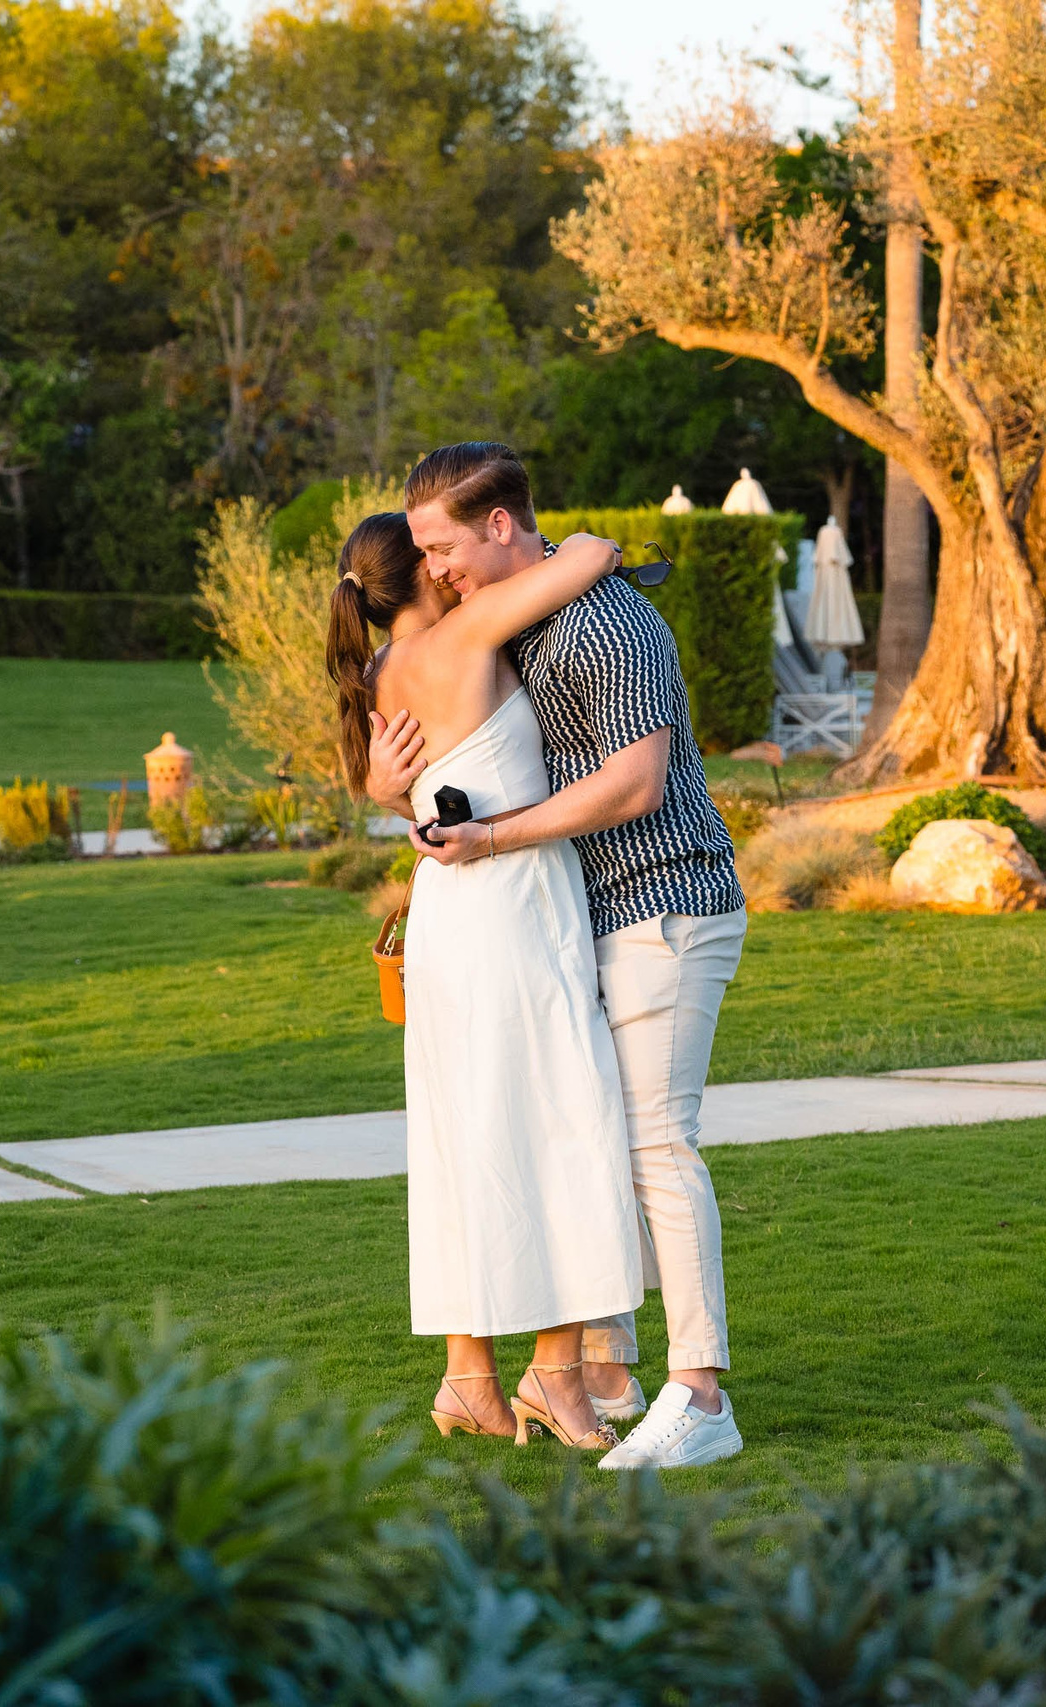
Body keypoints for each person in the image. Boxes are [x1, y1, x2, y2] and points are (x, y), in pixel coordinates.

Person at [369, 442, 750, 1472]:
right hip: (588, 917)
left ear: (498, 525)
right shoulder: (521, 621)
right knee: (594, 1138)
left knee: (657, 1148)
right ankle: (604, 1373)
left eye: (443, 549)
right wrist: (397, 791)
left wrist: (492, 837)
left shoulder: (605, 621)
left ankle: (700, 1396)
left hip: (663, 903)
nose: (432, 570)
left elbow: (634, 784)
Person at [328, 509, 644, 1452]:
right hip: (513, 905)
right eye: (434, 550)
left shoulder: (379, 672)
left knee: (466, 1141)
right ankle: (555, 1372)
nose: (449, 560)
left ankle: (469, 1377)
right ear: (425, 573)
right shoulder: (468, 631)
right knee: (563, 1123)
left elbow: (403, 788)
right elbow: (592, 557)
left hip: (448, 919)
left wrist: (384, 793)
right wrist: (571, 541)